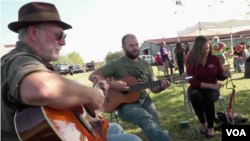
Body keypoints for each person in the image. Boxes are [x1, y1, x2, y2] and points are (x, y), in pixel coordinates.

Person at [0, 2, 141, 141]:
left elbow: (58, 100)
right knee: (133, 139)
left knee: (115, 128)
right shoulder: (18, 60)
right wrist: (91, 95)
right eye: (59, 35)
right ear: (33, 33)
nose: (63, 42)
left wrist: (89, 97)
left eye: (64, 36)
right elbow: (41, 88)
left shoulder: (42, 64)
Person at [89, 34, 172, 141]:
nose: (135, 48)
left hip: (145, 100)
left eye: (136, 45)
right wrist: (114, 84)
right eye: (131, 46)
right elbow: (93, 76)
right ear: (123, 48)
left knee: (155, 127)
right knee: (145, 118)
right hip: (125, 105)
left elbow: (154, 88)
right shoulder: (117, 63)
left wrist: (162, 87)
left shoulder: (145, 65)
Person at [185, 36, 231, 139]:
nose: (206, 51)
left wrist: (225, 74)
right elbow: (193, 81)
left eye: (208, 48)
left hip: (211, 90)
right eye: (203, 49)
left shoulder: (214, 58)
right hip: (197, 87)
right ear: (197, 49)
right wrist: (212, 85)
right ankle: (203, 123)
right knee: (194, 96)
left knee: (208, 98)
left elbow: (219, 75)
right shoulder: (190, 60)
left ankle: (210, 127)